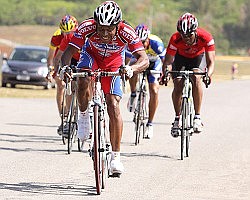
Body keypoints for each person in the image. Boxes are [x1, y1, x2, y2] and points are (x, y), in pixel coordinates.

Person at [61, 1, 149, 175]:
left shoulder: (126, 31)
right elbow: (68, 53)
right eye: (101, 29)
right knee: (83, 77)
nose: (105, 34)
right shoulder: (87, 27)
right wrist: (66, 68)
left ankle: (115, 157)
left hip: (114, 62)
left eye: (110, 29)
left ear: (118, 25)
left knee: (113, 104)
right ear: (96, 24)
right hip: (91, 56)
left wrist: (131, 69)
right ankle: (84, 116)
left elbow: (144, 60)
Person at [160, 12, 215, 137]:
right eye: (183, 36)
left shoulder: (206, 37)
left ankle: (197, 117)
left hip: (198, 58)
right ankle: (177, 119)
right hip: (180, 59)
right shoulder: (175, 39)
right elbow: (168, 61)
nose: (186, 39)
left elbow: (211, 62)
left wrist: (208, 75)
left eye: (189, 35)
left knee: (196, 77)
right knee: (178, 85)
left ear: (195, 31)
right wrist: (166, 73)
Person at [127, 24, 166, 139]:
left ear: (148, 39)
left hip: (154, 64)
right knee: (131, 70)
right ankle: (133, 94)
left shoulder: (156, 43)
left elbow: (164, 61)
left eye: (143, 42)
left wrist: (164, 73)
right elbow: (127, 61)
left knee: (154, 90)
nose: (142, 45)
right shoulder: (132, 44)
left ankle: (150, 124)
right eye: (139, 43)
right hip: (139, 61)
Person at [46, 15, 79, 135]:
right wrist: (51, 70)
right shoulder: (57, 37)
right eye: (64, 32)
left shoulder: (81, 35)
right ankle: (65, 118)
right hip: (62, 60)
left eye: (69, 32)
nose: (66, 34)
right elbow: (52, 57)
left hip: (78, 58)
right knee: (61, 85)